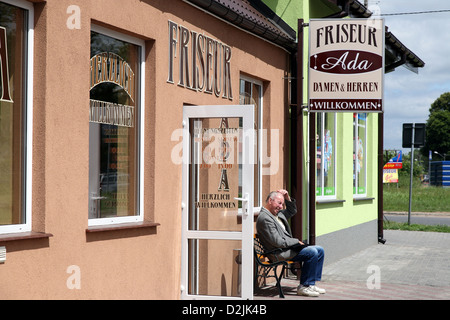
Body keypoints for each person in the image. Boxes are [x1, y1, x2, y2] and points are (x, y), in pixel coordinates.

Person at [256, 189, 326, 297]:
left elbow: (292, 211)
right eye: (279, 203)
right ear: (270, 200)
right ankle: (304, 286)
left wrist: (288, 199)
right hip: (278, 253)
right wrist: (296, 242)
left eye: (282, 204)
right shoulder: (265, 218)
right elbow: (277, 241)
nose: (280, 207)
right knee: (312, 252)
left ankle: (311, 284)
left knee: (320, 250)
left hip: (286, 249)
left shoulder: (276, 214)